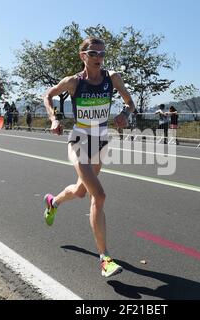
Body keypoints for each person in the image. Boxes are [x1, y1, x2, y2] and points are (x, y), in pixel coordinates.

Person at [42, 37, 136, 278]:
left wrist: (125, 114)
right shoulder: (74, 82)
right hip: (79, 141)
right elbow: (48, 95)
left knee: (81, 191)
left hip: (100, 141)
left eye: (102, 54)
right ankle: (105, 258)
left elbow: (130, 102)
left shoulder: (112, 78)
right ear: (82, 56)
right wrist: (54, 118)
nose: (98, 58)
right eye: (93, 53)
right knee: (99, 195)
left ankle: (53, 202)